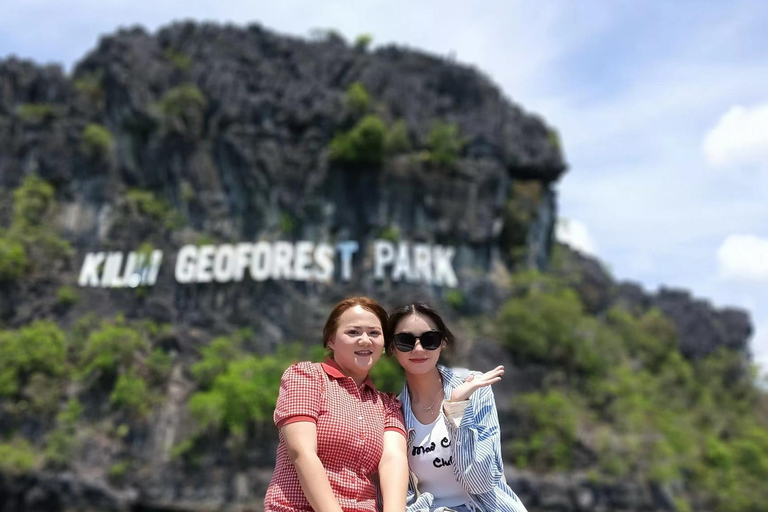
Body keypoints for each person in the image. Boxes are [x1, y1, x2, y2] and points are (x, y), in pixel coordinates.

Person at [265, 297, 408, 512]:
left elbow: (393, 460)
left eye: (374, 333)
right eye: (353, 332)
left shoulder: (387, 404)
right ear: (331, 340)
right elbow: (302, 453)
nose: (365, 340)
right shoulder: (306, 377)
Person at [387, 303, 528, 512]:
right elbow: (402, 498)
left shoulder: (474, 387)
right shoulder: (394, 412)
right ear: (392, 347)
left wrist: (456, 408)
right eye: (405, 341)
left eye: (429, 340)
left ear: (442, 342)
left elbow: (480, 482)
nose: (418, 349)